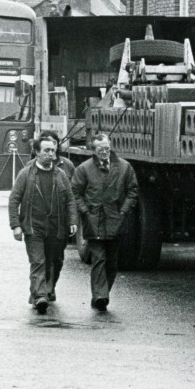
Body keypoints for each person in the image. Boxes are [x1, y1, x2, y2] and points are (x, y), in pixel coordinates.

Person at [8, 132, 77, 313]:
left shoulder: (60, 174)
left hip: (56, 227)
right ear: (37, 152)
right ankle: (40, 296)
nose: (50, 154)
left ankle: (45, 289)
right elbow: (14, 200)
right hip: (33, 227)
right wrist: (15, 225)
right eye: (46, 150)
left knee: (55, 261)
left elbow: (70, 199)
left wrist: (72, 221)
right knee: (38, 261)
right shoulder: (26, 174)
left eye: (52, 150)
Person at [71, 132, 138, 312]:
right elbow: (75, 192)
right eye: (101, 149)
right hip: (93, 220)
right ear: (94, 150)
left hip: (115, 220)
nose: (105, 152)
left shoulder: (124, 167)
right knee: (98, 258)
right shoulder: (84, 169)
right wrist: (85, 211)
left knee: (112, 262)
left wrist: (123, 210)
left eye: (107, 148)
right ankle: (100, 296)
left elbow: (132, 191)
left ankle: (103, 293)